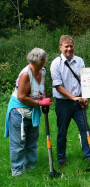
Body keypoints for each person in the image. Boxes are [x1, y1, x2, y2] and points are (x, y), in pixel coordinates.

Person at [5, 48, 51, 177]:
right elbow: (21, 97)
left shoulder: (43, 71)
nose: (43, 62)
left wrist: (44, 99)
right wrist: (39, 103)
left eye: (43, 60)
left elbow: (41, 88)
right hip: (18, 111)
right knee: (19, 143)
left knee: (31, 141)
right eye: (42, 61)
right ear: (38, 61)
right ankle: (17, 171)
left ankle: (31, 167)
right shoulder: (26, 74)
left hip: (32, 110)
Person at [50, 35, 90, 168]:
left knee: (85, 129)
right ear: (60, 47)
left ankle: (88, 156)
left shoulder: (80, 61)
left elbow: (84, 81)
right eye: (66, 46)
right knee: (62, 131)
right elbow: (58, 86)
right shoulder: (55, 63)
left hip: (79, 102)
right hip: (63, 103)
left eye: (71, 46)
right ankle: (61, 158)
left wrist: (85, 96)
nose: (69, 49)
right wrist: (73, 97)